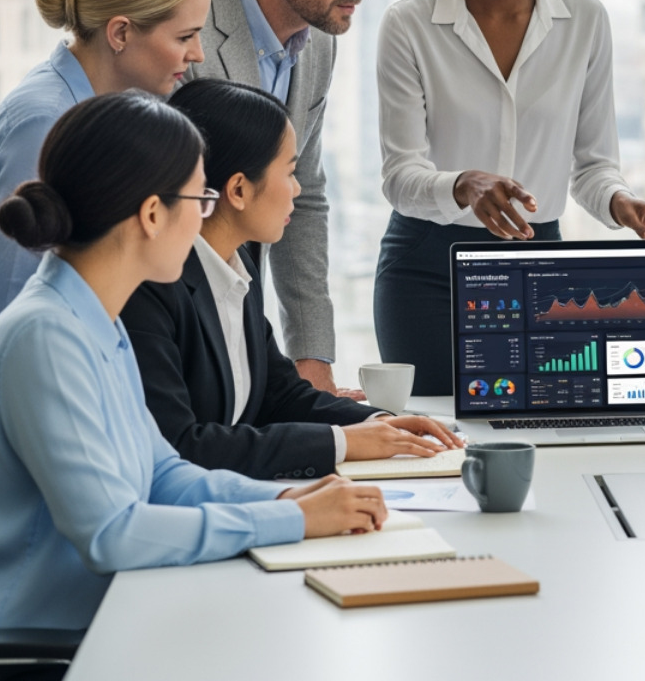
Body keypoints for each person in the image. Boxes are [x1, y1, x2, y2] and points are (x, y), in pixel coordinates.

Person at [0, 92, 386, 633]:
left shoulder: (98, 321)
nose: (206, 215)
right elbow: (111, 533)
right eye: (200, 198)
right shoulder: (46, 335)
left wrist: (291, 496)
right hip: (15, 643)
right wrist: (289, 518)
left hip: (93, 619)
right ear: (152, 214)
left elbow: (164, 474)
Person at [375, 0, 645, 394]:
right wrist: (464, 185)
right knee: (433, 440)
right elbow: (400, 176)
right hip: (426, 268)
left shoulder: (586, 22)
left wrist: (622, 204)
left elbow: (593, 166)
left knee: (543, 430)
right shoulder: (409, 25)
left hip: (538, 264)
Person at [0, 0, 212, 519]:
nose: (198, 55)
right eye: (185, 36)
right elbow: (12, 310)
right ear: (120, 33)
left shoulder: (91, 112)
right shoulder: (44, 120)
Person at [121, 80, 466, 481]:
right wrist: (344, 442)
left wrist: (381, 421)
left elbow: (281, 393)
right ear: (237, 190)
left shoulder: (238, 265)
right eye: (289, 171)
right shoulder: (151, 288)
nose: (299, 189)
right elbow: (182, 445)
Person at [184, 0, 384, 398]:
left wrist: (311, 363)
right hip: (180, 316)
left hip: (246, 309)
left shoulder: (321, 39)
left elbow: (307, 196)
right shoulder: (190, 35)